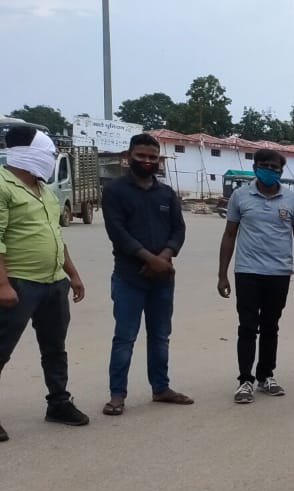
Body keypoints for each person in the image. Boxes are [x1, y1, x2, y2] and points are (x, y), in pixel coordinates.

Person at [0, 126, 89, 441]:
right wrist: (3, 285)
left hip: (53, 283)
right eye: (48, 155)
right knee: (1, 348)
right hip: (18, 282)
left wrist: (72, 274)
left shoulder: (45, 191)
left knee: (54, 347)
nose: (51, 161)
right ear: (27, 155)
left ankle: (58, 402)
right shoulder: (2, 185)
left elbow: (56, 235)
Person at [102, 132, 192, 415]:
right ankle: (117, 394)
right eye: (141, 156)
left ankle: (161, 388)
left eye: (152, 157)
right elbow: (117, 232)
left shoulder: (166, 193)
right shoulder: (115, 191)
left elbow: (179, 229)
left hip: (162, 279)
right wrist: (148, 259)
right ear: (128, 157)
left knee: (160, 336)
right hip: (130, 277)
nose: (147, 161)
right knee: (125, 338)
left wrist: (163, 258)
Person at [216, 148, 294, 404]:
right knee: (247, 326)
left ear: (281, 171)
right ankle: (244, 380)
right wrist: (222, 274)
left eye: (275, 167)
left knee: (271, 326)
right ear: (256, 166)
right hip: (247, 272)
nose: (270, 171)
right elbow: (229, 235)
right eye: (265, 166)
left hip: (279, 273)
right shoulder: (240, 196)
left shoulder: (292, 200)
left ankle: (266, 375)